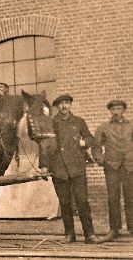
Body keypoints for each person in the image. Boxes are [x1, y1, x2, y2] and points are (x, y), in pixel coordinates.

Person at [45, 94, 101, 244]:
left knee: (82, 201)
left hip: (77, 168)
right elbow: (44, 146)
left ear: (70, 105)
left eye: (67, 103)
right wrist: (44, 166)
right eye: (61, 104)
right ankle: (69, 235)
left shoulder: (79, 122)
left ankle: (89, 234)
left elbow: (90, 138)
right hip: (59, 168)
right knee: (65, 202)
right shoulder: (51, 123)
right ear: (57, 106)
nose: (64, 106)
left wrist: (84, 142)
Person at [92, 99, 133, 242]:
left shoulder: (131, 125)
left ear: (123, 110)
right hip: (112, 167)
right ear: (110, 111)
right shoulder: (103, 127)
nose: (116, 112)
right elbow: (96, 146)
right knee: (113, 198)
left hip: (129, 166)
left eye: (119, 108)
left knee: (131, 197)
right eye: (113, 109)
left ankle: (132, 228)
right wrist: (101, 160)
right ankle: (114, 229)